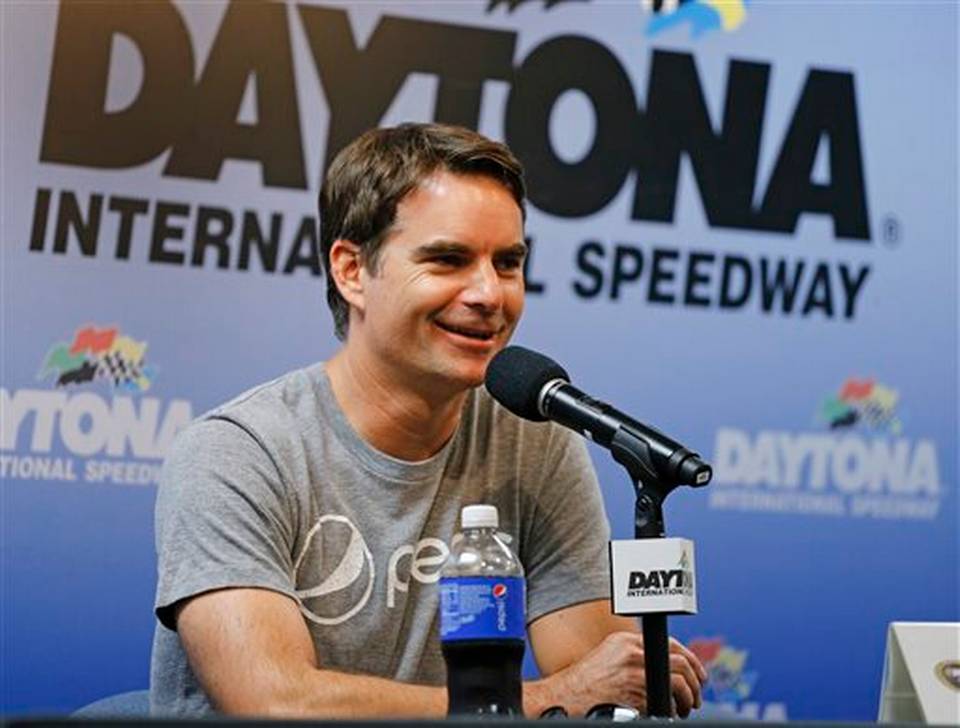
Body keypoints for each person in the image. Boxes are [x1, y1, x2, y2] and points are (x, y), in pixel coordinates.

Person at [150, 123, 706, 718]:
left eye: (509, 263)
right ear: (352, 271)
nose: (490, 294)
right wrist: (543, 700)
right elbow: (274, 703)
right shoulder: (238, 453)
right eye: (449, 260)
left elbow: (598, 684)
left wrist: (594, 688)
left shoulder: (534, 438)